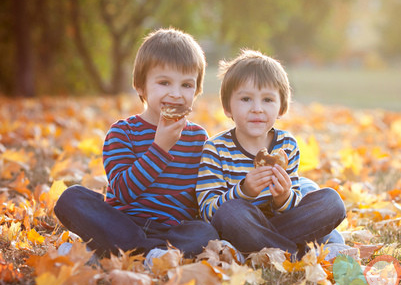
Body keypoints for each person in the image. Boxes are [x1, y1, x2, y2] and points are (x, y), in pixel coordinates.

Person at [54, 28, 219, 265]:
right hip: (122, 222)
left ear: (197, 90)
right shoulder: (122, 132)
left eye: (187, 85)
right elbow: (122, 190)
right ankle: (148, 254)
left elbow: (199, 198)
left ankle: (103, 252)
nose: (176, 94)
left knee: (205, 233)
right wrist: (160, 148)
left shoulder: (198, 138)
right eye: (164, 82)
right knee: (71, 198)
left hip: (170, 230)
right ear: (140, 87)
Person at [196, 50, 346, 258]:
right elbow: (208, 212)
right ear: (228, 107)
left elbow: (293, 209)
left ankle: (267, 251)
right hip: (242, 226)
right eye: (246, 99)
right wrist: (244, 191)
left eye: (267, 100)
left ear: (281, 107)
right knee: (232, 213)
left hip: (282, 224)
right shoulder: (216, 149)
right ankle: (297, 252)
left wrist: (283, 197)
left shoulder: (287, 146)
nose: (257, 108)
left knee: (331, 201)